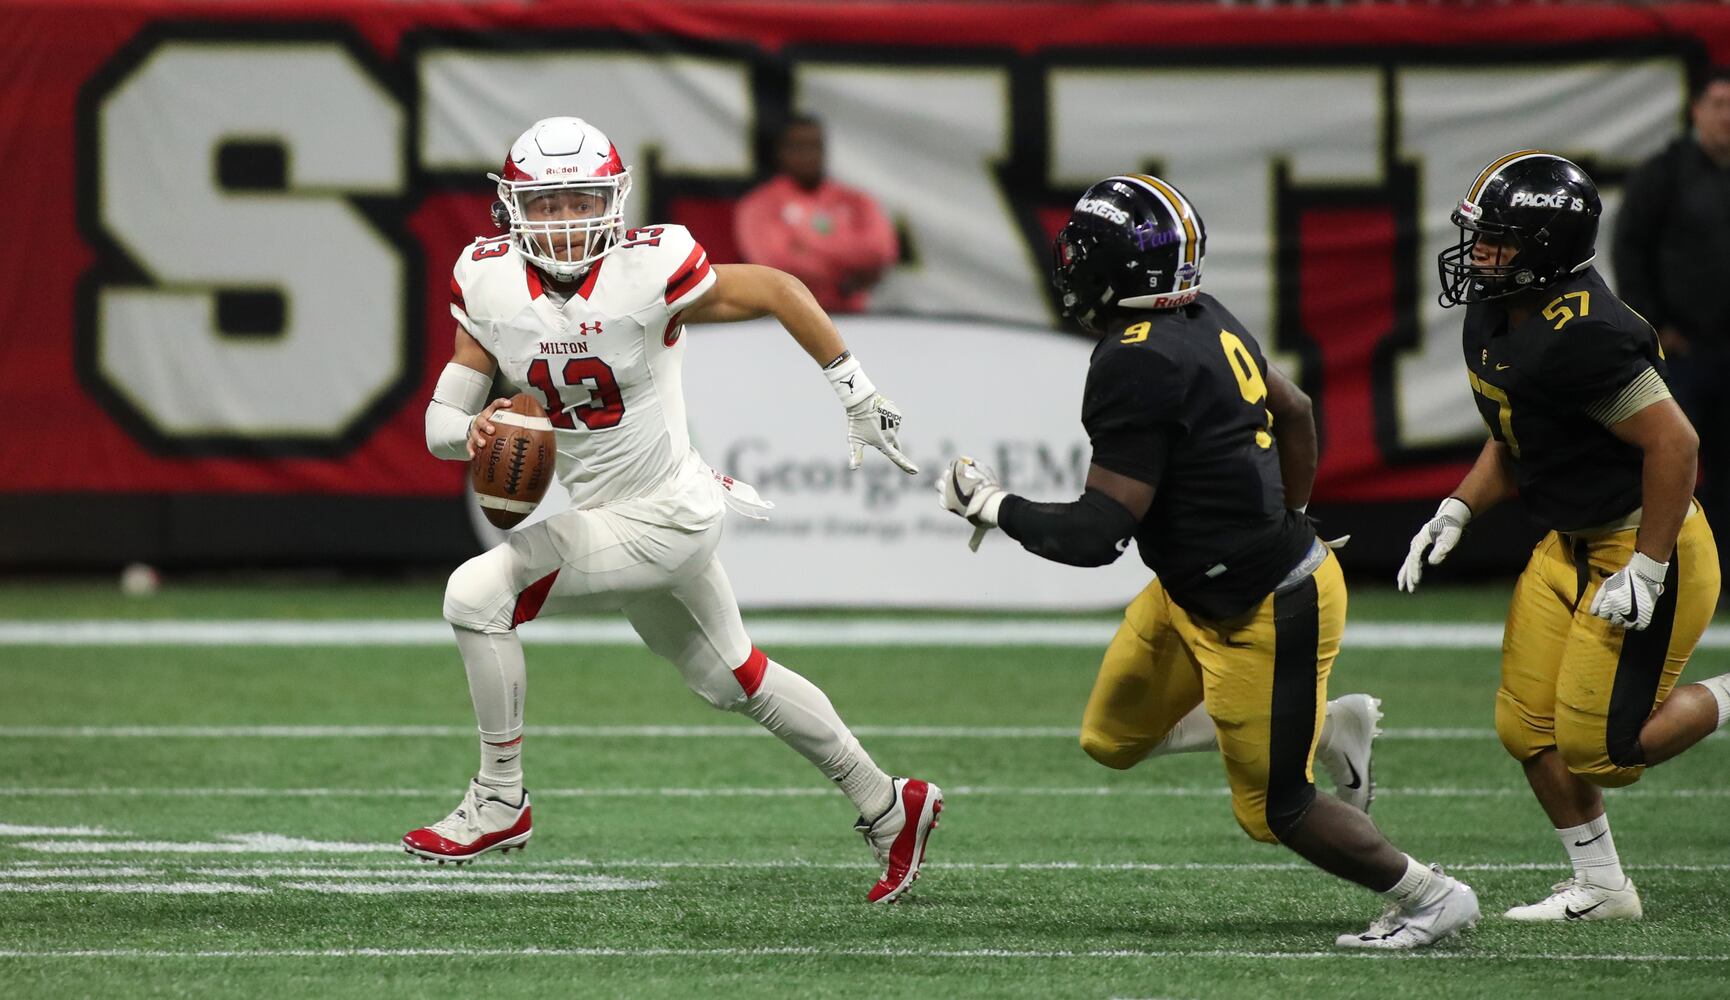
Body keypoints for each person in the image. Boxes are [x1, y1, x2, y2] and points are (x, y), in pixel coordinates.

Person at [405, 116, 941, 904]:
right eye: (547, 205)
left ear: (614, 201)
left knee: (475, 595)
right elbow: (440, 424)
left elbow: (781, 288)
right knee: (733, 678)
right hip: (615, 517)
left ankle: (500, 798)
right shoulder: (486, 282)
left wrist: (854, 390)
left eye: (581, 200)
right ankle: (891, 804)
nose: (566, 221)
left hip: (668, 514)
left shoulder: (647, 269)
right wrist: (475, 427)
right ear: (512, 209)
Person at [939, 174, 1479, 950]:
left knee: (1275, 810)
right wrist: (1289, 511)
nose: (1069, 270)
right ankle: (1328, 727)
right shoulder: (1201, 313)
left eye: (1081, 256)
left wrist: (992, 506)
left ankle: (1430, 896)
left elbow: (1097, 534)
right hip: (1195, 592)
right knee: (1111, 738)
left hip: (1266, 606)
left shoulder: (1134, 359)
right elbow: (1296, 410)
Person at [1403, 150, 1730, 921]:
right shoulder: (1497, 311)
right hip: (1565, 545)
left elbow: (1675, 445)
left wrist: (1648, 566)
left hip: (1644, 546)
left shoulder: (1586, 332)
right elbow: (1518, 431)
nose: (1479, 252)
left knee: (1608, 753)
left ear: (1545, 247)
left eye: (1499, 240)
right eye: (1479, 235)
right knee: (1527, 728)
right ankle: (1605, 886)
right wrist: (1458, 507)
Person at [1613, 67, 1730, 581]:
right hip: (1681, 350)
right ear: (1696, 111)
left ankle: (1721, 574)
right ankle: (1663, 568)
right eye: (1721, 104)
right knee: (1669, 461)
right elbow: (1629, 252)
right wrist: (1655, 326)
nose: (1729, 117)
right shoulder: (1662, 173)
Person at [734, 115, 898, 314]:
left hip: (851, 318)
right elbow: (775, 268)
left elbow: (880, 252)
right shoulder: (758, 206)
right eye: (799, 147)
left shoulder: (856, 200)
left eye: (815, 146)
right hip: (784, 319)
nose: (808, 155)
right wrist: (845, 275)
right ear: (781, 152)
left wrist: (805, 244)